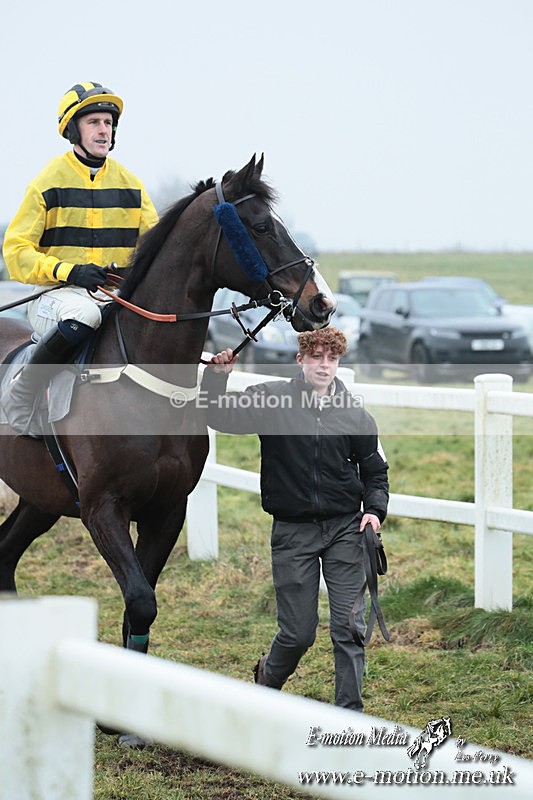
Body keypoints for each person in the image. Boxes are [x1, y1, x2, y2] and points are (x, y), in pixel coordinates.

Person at [201, 328, 389, 711]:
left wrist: (373, 510)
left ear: (338, 363)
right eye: (316, 357)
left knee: (348, 627)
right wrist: (216, 378)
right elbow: (218, 414)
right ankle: (266, 681)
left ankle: (350, 715)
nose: (324, 365)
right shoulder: (272, 400)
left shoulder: (355, 414)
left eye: (331, 359)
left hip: (345, 529)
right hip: (292, 531)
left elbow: (375, 473)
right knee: (298, 633)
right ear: (300, 360)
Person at [1, 81, 158, 423]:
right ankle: (22, 391)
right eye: (94, 122)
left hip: (113, 297)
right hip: (55, 296)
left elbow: (153, 248)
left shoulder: (131, 184)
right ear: (73, 128)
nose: (104, 130)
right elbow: (15, 251)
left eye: (108, 123)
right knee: (85, 314)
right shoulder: (47, 180)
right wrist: (68, 272)